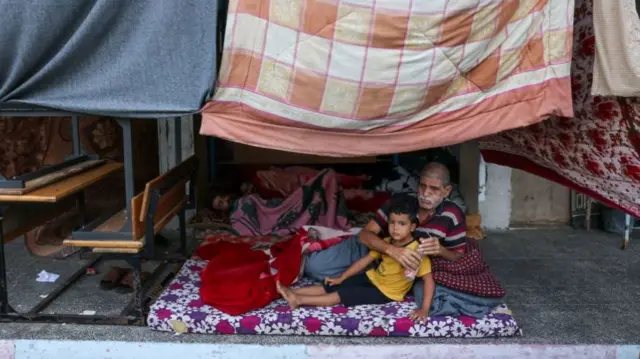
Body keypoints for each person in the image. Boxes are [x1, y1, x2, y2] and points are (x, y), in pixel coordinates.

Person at [304, 162, 467, 305]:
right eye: (422, 186)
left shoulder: (453, 215)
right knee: (314, 268)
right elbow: (365, 234)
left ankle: (357, 279)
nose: (425, 193)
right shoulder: (400, 201)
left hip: (393, 274)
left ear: (447, 191)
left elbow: (459, 256)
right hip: (371, 252)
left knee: (346, 287)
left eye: (434, 188)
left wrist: (441, 250)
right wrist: (391, 250)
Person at [278, 194, 435, 321]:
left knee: (339, 295)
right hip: (372, 278)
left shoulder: (418, 251)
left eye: (401, 224)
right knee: (332, 285)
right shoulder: (387, 242)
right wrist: (342, 277)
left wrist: (424, 309)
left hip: (386, 292)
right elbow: (363, 262)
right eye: (392, 223)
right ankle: (291, 292)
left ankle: (298, 300)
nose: (395, 228)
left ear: (413, 226)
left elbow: (428, 280)